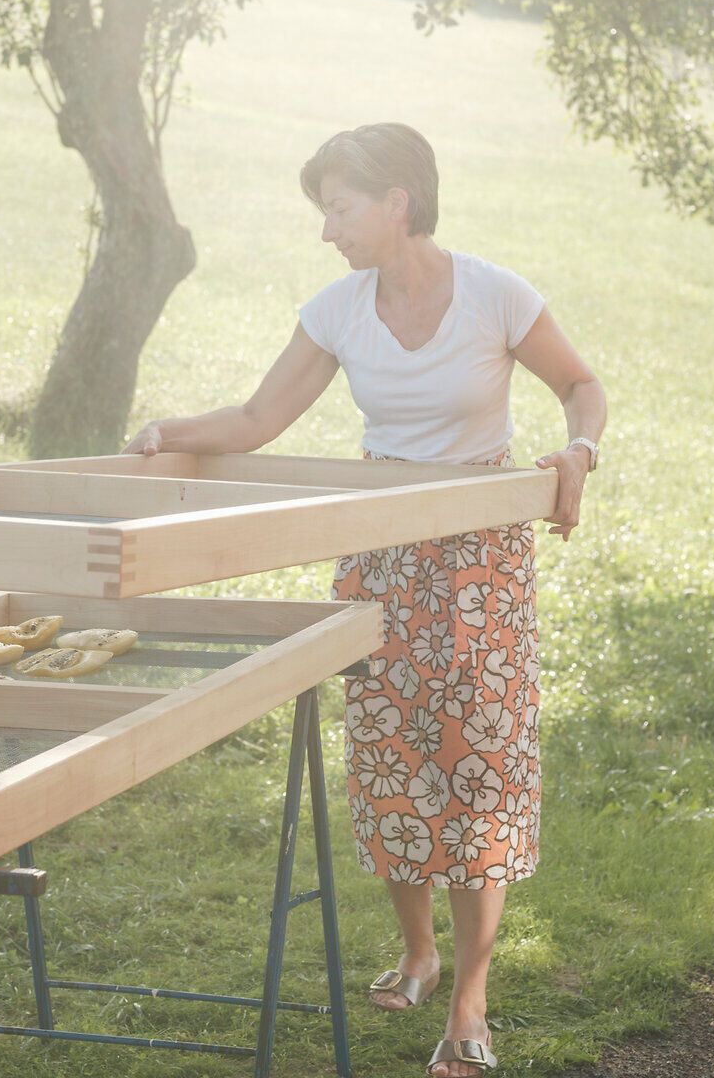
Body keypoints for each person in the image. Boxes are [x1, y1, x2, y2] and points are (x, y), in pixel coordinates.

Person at [124, 122, 604, 1077]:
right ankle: (418, 953)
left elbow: (581, 385)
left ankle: (469, 999)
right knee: (391, 759)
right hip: (380, 555)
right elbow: (258, 419)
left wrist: (577, 453)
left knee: (476, 768)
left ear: (396, 202)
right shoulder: (337, 310)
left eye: (338, 208)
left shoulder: (496, 295)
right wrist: (166, 431)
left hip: (480, 562)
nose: (327, 229)